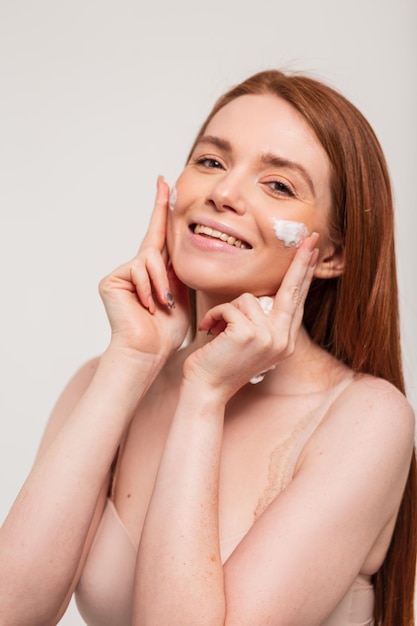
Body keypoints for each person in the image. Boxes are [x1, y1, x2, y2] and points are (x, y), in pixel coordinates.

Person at [0, 69, 415, 626]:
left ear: (334, 254)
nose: (222, 193)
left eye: (278, 185)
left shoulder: (367, 418)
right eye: (212, 162)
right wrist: (132, 361)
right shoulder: (102, 381)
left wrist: (205, 395)